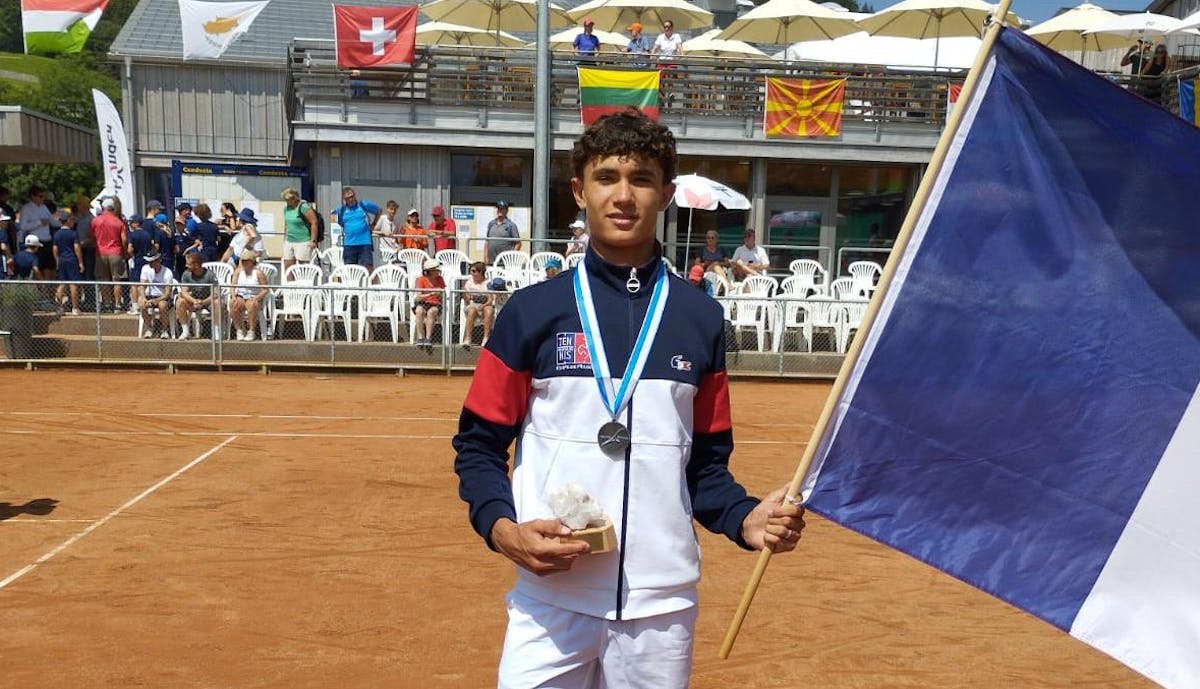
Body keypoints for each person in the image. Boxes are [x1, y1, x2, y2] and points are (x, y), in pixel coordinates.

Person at [452, 111, 805, 688]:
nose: (623, 195)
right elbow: (479, 444)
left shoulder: (701, 317)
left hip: (660, 609)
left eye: (641, 179)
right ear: (578, 191)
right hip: (551, 596)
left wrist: (745, 518)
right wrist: (504, 529)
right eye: (606, 177)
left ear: (665, 194)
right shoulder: (532, 312)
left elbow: (705, 467)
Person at [92, 197, 128, 312]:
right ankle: (117, 305)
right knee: (117, 280)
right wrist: (125, 251)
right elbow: (124, 240)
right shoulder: (118, 222)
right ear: (113, 208)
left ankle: (107, 304)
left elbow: (92, 236)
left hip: (100, 253)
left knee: (104, 280)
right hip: (116, 252)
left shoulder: (95, 221)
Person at [333, 186, 380, 271]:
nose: (350, 200)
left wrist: (373, 224)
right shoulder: (341, 210)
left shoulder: (363, 205)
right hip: (349, 244)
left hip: (364, 243)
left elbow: (379, 211)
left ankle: (371, 284)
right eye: (347, 198)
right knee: (350, 269)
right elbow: (338, 221)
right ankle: (352, 284)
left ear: (355, 196)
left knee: (368, 268)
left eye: (352, 196)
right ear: (344, 200)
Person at [17, 185, 59, 281]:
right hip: (36, 242)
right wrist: (39, 223)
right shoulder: (26, 209)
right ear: (33, 196)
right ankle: (42, 293)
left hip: (47, 241)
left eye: (43, 196)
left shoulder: (44, 207)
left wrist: (66, 224)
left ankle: (49, 292)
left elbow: (53, 221)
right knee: (39, 268)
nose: (43, 199)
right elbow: (23, 226)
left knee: (50, 268)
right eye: (40, 196)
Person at [175, 250, 219, 340]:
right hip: (193, 301)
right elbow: (184, 292)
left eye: (188, 264)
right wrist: (194, 300)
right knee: (180, 301)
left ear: (196, 265)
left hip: (207, 301)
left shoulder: (210, 275)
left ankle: (216, 331)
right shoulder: (186, 274)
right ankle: (185, 331)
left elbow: (215, 293)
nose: (186, 266)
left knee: (218, 302)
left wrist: (203, 302)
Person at [229, 252, 268, 341]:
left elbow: (265, 290)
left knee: (252, 305)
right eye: (243, 261)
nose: (244, 263)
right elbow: (232, 287)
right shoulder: (238, 272)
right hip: (241, 296)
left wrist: (257, 298)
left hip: (254, 296)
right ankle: (239, 330)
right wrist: (233, 296)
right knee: (233, 304)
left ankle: (251, 330)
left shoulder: (259, 273)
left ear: (252, 261)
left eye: (246, 261)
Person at [138, 252, 175, 339]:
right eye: (149, 261)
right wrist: (143, 297)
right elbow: (142, 286)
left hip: (163, 297)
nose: (150, 263)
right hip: (150, 295)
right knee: (141, 303)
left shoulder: (167, 272)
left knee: (162, 305)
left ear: (158, 261)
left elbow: (167, 293)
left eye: (152, 261)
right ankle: (149, 328)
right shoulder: (145, 268)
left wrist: (156, 300)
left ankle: (164, 330)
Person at [52, 212, 83, 314]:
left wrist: (57, 260)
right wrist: (81, 262)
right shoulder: (73, 233)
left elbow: (55, 249)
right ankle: (75, 308)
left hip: (62, 260)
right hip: (72, 260)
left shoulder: (57, 234)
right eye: (72, 220)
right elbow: (77, 248)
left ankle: (59, 307)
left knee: (61, 284)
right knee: (73, 284)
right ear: (68, 221)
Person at [281, 187, 319, 271]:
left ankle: (304, 283)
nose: (286, 202)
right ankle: (290, 284)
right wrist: (284, 238)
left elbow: (314, 222)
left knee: (303, 267)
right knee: (288, 266)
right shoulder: (286, 208)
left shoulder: (304, 207)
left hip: (303, 240)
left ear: (294, 198)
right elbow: (287, 223)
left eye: (288, 200)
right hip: (289, 240)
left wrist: (313, 240)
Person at [460, 261, 495, 349]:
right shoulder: (469, 282)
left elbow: (490, 299)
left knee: (489, 310)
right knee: (472, 310)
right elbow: (467, 298)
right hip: (472, 304)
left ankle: (486, 338)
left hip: (485, 304)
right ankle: (468, 338)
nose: (471, 273)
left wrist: (483, 306)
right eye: (471, 271)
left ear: (480, 272)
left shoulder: (488, 283)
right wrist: (468, 297)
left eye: (474, 271)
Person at [413, 257, 445, 350]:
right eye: (436, 269)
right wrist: (430, 294)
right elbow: (419, 296)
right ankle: (420, 337)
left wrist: (439, 293)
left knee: (431, 312)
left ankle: (428, 338)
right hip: (423, 302)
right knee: (419, 311)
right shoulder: (422, 279)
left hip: (435, 303)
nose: (438, 271)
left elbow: (442, 293)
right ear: (431, 270)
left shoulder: (440, 279)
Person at [126, 214, 155, 312]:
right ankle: (146, 303)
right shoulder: (147, 234)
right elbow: (152, 247)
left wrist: (131, 255)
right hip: (147, 260)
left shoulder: (132, 234)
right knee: (145, 282)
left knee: (134, 283)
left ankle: (135, 306)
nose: (130, 225)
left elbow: (130, 249)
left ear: (136, 223)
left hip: (137, 260)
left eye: (132, 223)